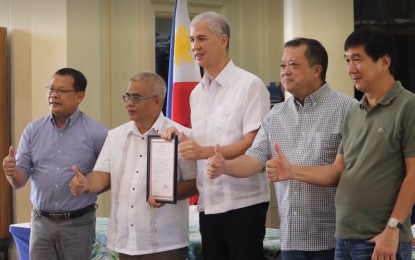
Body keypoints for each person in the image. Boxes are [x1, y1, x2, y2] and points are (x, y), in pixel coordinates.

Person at [267, 26, 415, 260]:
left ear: (384, 61)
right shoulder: (355, 111)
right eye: (347, 60)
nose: (350, 69)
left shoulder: (408, 106)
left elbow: (414, 174)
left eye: (358, 59)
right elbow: (337, 171)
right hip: (343, 238)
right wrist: (291, 171)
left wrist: (393, 228)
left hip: (378, 239)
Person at [206, 38, 357, 260]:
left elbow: (350, 174)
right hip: (291, 240)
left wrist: (292, 170)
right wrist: (224, 166)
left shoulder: (348, 110)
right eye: (283, 65)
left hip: (333, 238)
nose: (286, 72)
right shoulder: (275, 115)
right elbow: (253, 159)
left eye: (294, 65)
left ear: (317, 70)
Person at [158, 11, 271, 260]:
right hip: (209, 201)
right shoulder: (196, 93)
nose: (194, 47)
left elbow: (253, 142)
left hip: (244, 203)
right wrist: (181, 135)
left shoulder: (249, 85)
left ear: (223, 40)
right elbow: (204, 138)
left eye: (201, 39)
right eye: (191, 40)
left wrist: (203, 152)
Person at [69, 72, 198, 260]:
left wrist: (168, 194)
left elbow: (195, 182)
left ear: (157, 101)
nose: (129, 103)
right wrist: (86, 184)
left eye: (136, 98)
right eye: (127, 97)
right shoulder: (115, 136)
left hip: (164, 242)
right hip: (125, 242)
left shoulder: (180, 135)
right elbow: (102, 176)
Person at [2, 68, 108, 260]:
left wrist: (87, 185)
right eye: (51, 89)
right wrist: (11, 171)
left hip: (78, 224)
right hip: (41, 222)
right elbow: (18, 180)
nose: (53, 95)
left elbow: (110, 176)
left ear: (79, 96)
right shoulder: (33, 130)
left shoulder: (97, 133)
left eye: (61, 91)